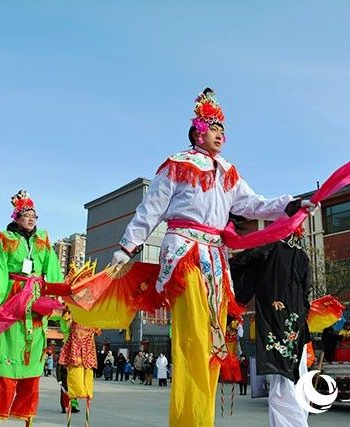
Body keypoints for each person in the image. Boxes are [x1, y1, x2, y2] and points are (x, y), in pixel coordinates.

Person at [111, 88, 311, 426]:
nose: (221, 134)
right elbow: (150, 210)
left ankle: (202, 419)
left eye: (223, 129)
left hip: (216, 261)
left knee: (214, 342)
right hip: (184, 252)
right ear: (197, 131)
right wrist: (127, 247)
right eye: (214, 127)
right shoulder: (176, 164)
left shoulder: (229, 172)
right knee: (193, 339)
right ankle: (188, 420)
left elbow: (254, 204)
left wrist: (289, 205)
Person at [0, 190, 67, 426]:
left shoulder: (43, 241)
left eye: (34, 216)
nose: (31, 219)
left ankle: (27, 416)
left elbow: (53, 270)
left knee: (33, 359)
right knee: (8, 354)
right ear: (17, 218)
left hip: (36, 299)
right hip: (13, 296)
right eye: (27, 215)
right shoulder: (6, 239)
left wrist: (57, 296)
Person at [230, 230, 312, 426]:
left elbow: (241, 277)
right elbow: (306, 295)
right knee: (295, 379)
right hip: (297, 327)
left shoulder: (264, 252)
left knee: (281, 386)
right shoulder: (301, 256)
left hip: (275, 326)